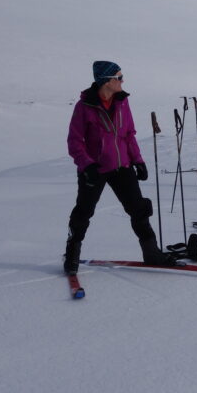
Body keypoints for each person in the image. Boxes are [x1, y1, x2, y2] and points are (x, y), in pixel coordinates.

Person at [64, 61, 175, 275]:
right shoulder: (84, 106)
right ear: (107, 81)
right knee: (83, 212)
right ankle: (71, 254)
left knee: (139, 209)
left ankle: (151, 253)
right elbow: (75, 141)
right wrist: (86, 165)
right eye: (119, 77)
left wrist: (138, 161)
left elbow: (128, 134)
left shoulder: (123, 102)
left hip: (122, 167)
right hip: (94, 169)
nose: (123, 81)